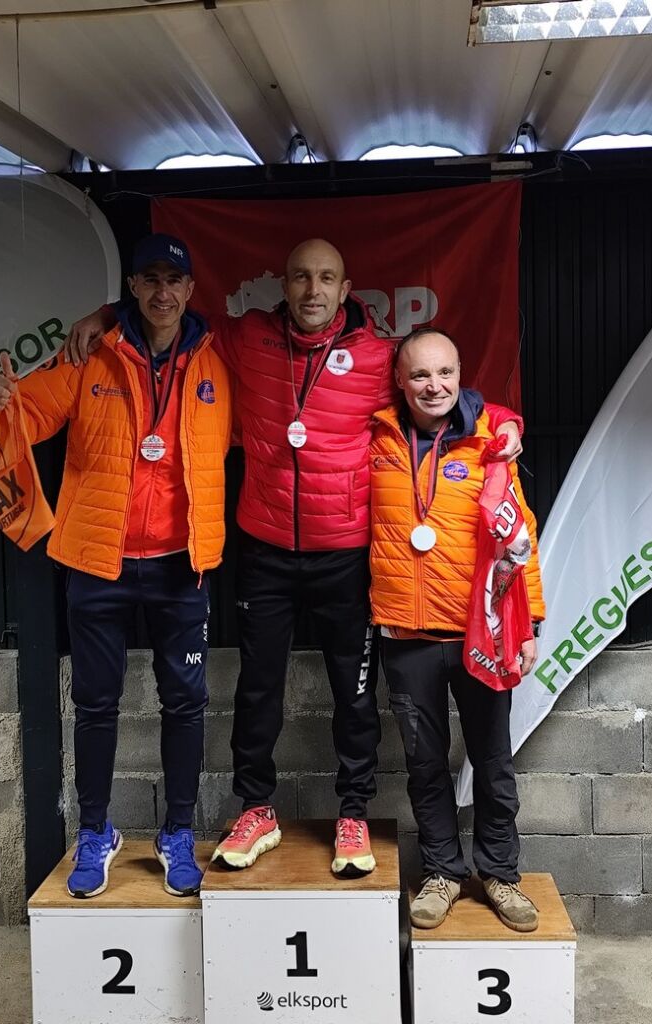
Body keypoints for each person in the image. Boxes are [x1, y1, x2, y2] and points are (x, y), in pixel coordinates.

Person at [64, 238, 522, 878]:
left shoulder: (380, 356)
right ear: (284, 285)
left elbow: (440, 395)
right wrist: (109, 313)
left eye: (326, 278)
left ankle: (353, 812)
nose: (313, 290)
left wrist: (502, 419)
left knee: (353, 693)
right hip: (266, 549)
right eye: (302, 277)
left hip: (347, 553)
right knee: (257, 688)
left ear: (345, 288)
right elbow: (167, 316)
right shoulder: (245, 338)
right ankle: (256, 808)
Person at [0, 234, 231, 898]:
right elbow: (30, 413)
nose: (162, 292)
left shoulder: (217, 359)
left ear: (191, 290)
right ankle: (96, 831)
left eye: (174, 280)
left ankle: (178, 832)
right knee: (95, 704)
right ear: (132, 288)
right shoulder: (90, 354)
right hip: (98, 562)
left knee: (186, 704)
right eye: (150, 279)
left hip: (181, 564)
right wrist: (2, 402)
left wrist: (102, 312)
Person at [368, 327, 545, 931]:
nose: (434, 385)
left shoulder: (490, 444)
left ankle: (500, 873)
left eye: (445, 372)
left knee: (492, 763)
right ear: (400, 380)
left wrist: (530, 622)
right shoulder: (376, 440)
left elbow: (520, 536)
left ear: (461, 374)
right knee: (424, 766)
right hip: (406, 635)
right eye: (420, 374)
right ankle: (442, 872)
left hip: (482, 634)